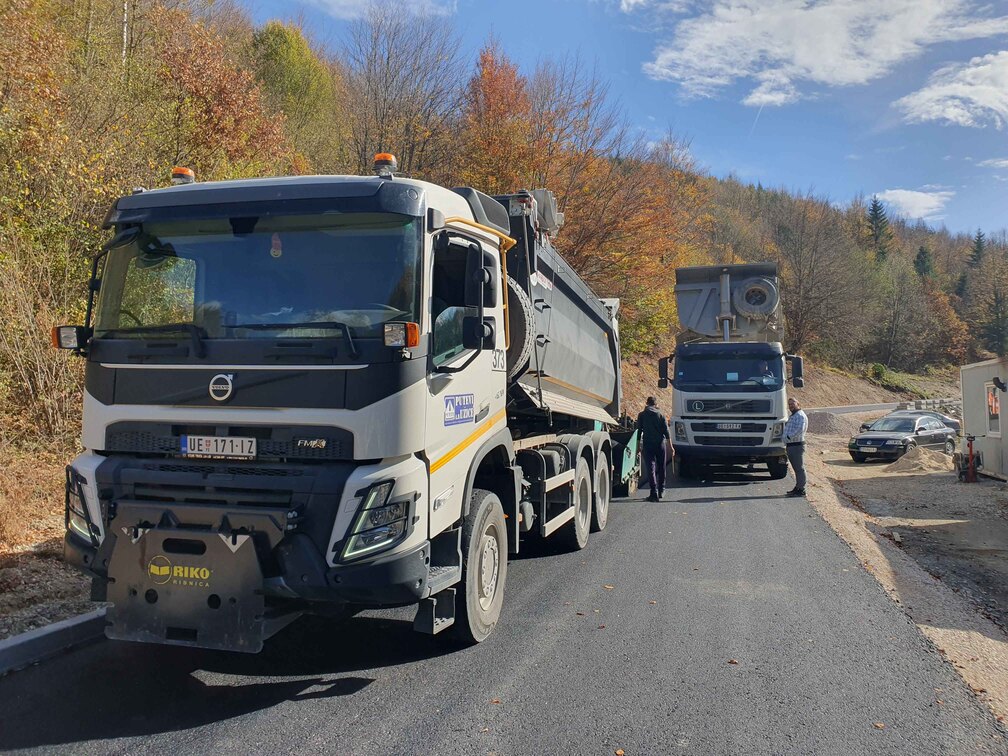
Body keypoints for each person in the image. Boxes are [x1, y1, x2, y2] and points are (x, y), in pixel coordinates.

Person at [637, 396, 672, 502]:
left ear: (646, 403)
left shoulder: (642, 415)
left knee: (651, 468)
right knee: (661, 467)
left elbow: (639, 431)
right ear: (656, 404)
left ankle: (653, 492)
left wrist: (638, 446)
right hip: (660, 444)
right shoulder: (661, 414)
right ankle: (662, 490)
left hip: (648, 445)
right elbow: (667, 432)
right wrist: (671, 447)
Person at [784, 397, 808, 497]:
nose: (791, 406)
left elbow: (800, 429)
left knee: (799, 469)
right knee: (796, 469)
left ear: (798, 403)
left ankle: (801, 489)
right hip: (791, 445)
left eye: (793, 403)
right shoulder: (793, 415)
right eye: (789, 404)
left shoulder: (800, 415)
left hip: (796, 445)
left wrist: (788, 437)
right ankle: (798, 487)